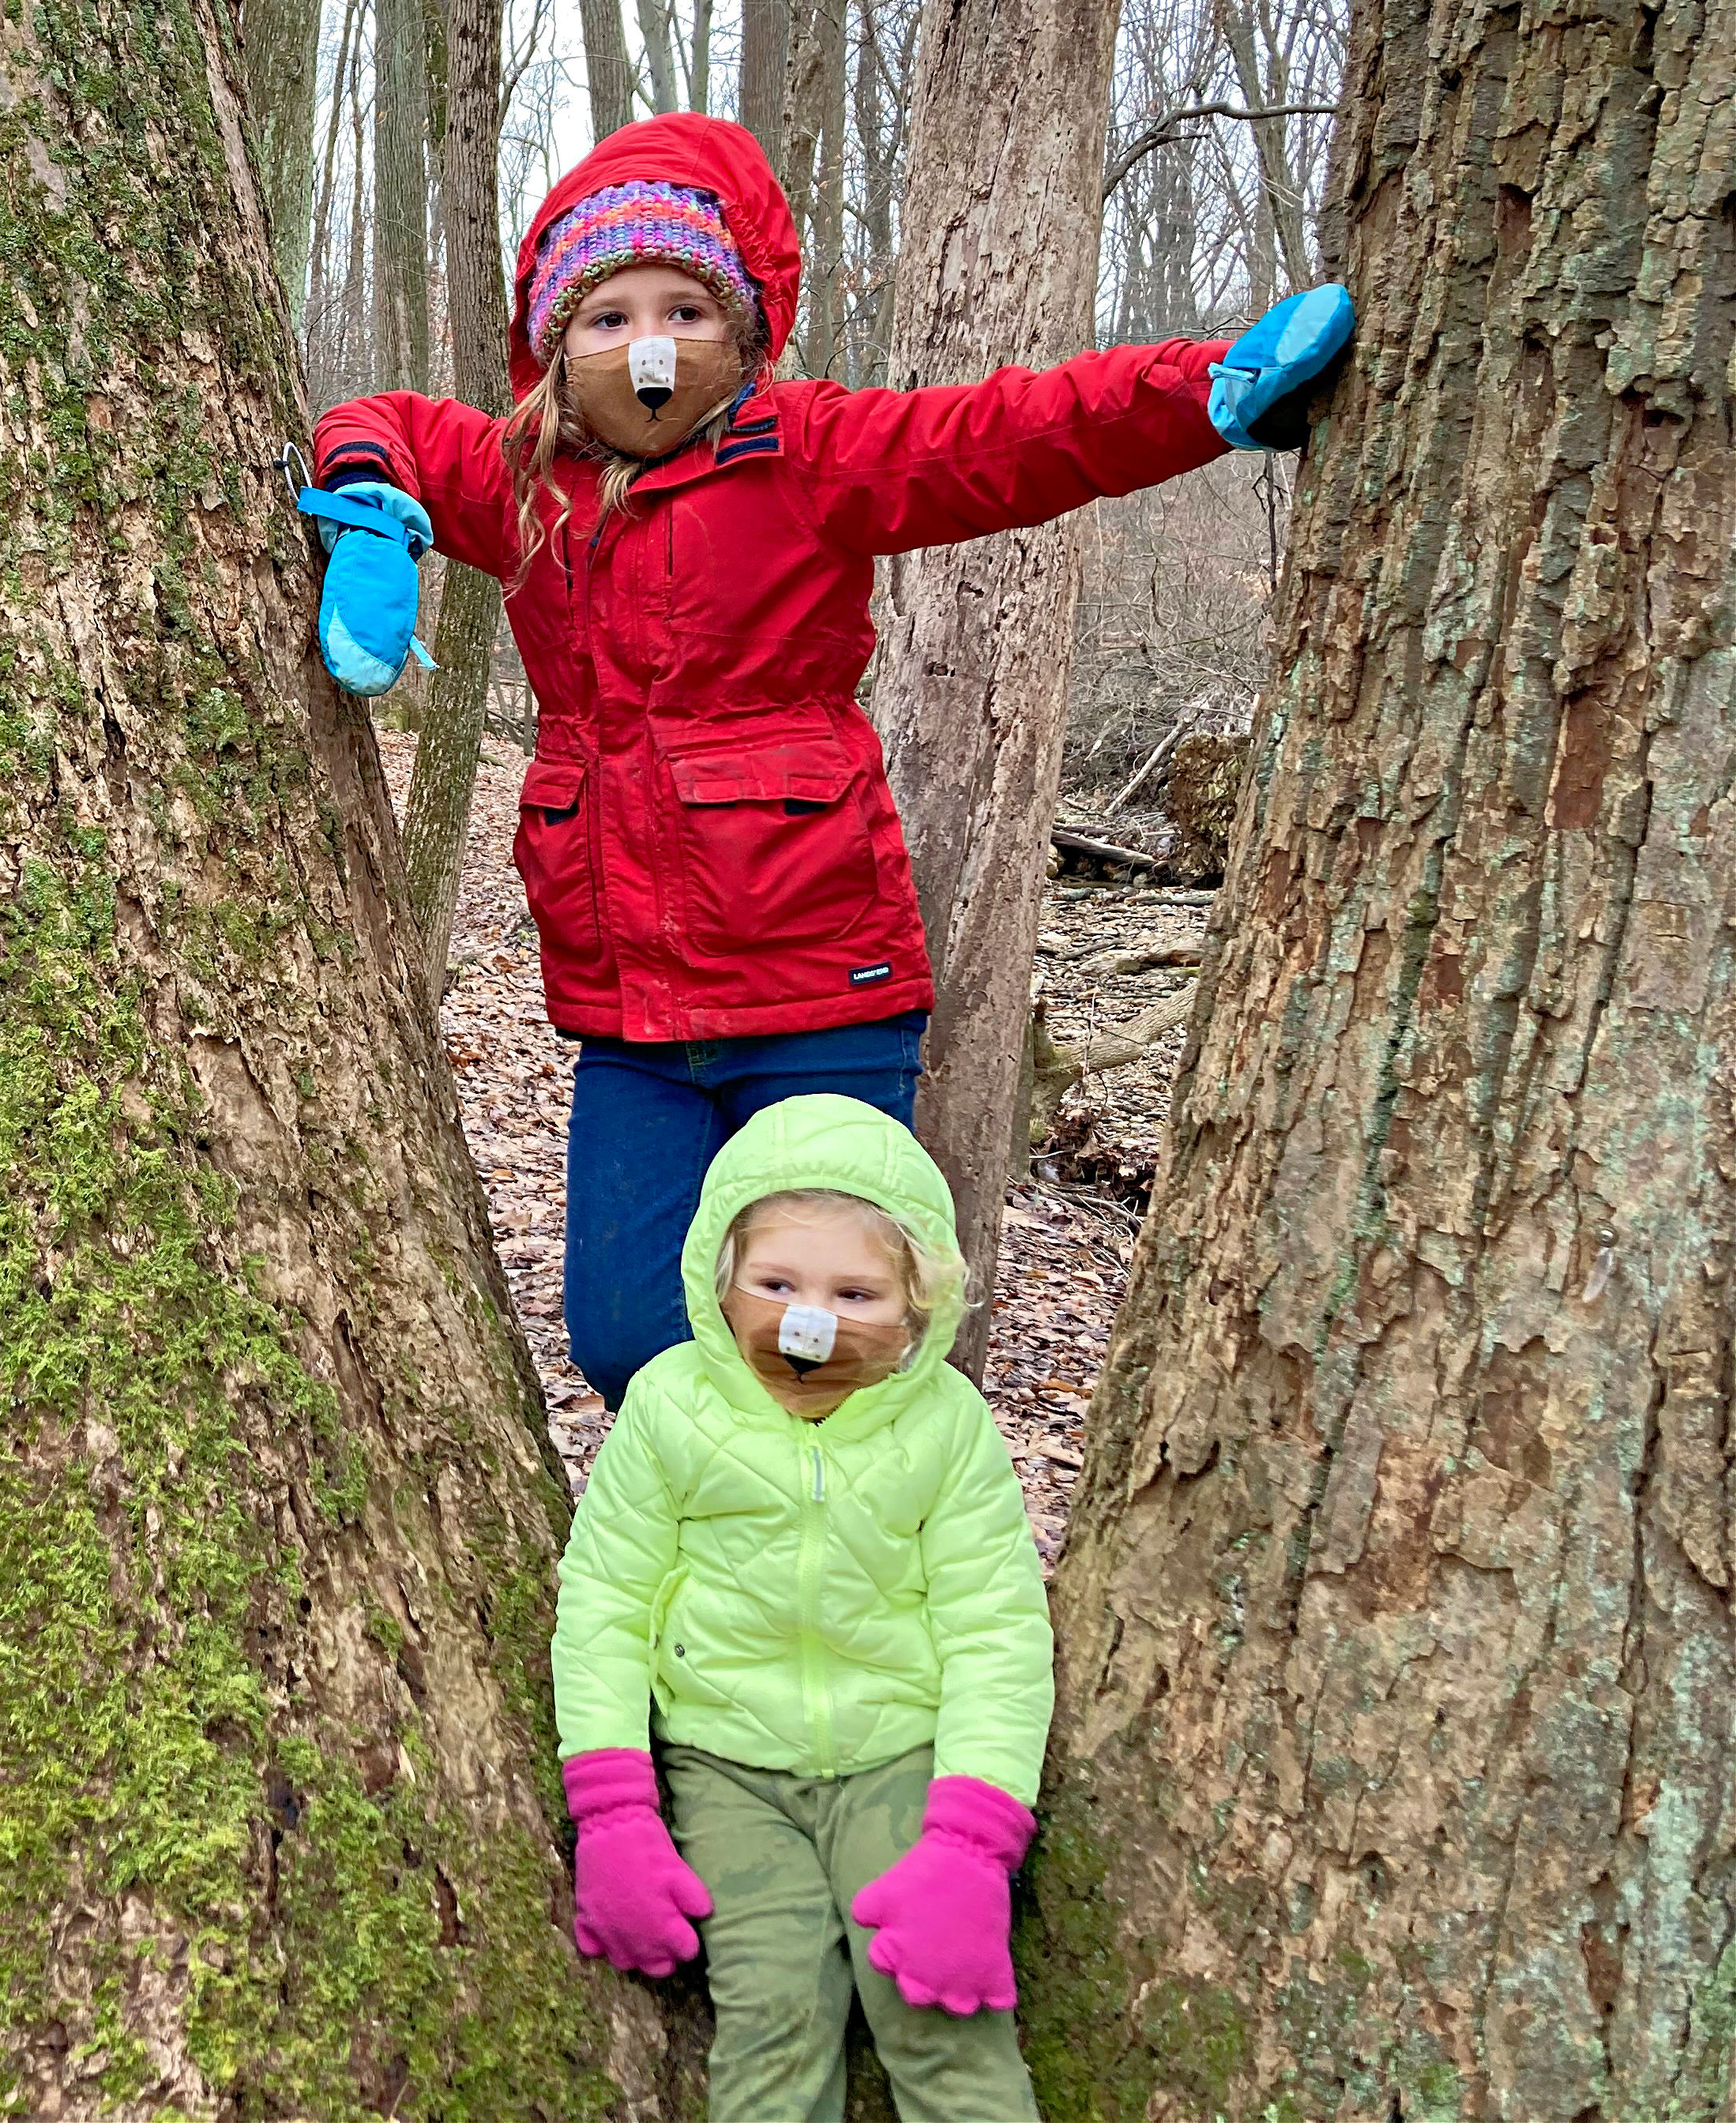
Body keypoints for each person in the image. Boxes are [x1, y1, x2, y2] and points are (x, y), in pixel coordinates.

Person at [296, 114, 1353, 1407]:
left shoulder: (806, 452)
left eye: (683, 308)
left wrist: (1203, 393)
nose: (647, 346)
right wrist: (371, 518)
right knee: (627, 1337)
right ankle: (704, 1520)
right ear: (553, 348)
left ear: (739, 333)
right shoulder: (524, 479)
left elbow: (1011, 438)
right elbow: (378, 417)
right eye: (606, 315)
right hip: (628, 1017)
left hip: (822, 994)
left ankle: (833, 1567)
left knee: (831, 1341)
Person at [550, 1093, 1050, 2121]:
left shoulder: (948, 1430)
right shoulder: (669, 1408)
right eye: (777, 1283)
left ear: (919, 1307)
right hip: (728, 1770)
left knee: (941, 2015)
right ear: (721, 1284)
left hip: (902, 1761)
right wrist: (614, 1813)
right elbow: (604, 1604)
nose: (810, 1322)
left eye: (857, 1293)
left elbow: (995, 1628)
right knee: (772, 2013)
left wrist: (972, 1840)